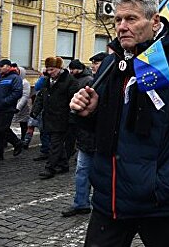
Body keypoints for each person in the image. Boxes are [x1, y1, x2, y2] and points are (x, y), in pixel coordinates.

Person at [69, 0, 169, 246]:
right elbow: (104, 130)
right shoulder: (110, 64)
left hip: (159, 206)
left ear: (155, 22)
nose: (122, 26)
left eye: (131, 19)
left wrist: (160, 186)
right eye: (118, 19)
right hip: (109, 201)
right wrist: (88, 114)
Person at [32, 57, 79, 179]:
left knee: (55, 144)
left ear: (59, 68)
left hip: (62, 118)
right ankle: (63, 164)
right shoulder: (47, 81)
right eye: (47, 69)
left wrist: (72, 118)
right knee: (56, 144)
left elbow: (73, 101)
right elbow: (41, 97)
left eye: (52, 69)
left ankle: (50, 168)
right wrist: (35, 111)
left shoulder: (70, 81)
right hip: (49, 117)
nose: (49, 72)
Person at [61, 58, 96, 217]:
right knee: (81, 172)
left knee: (102, 175)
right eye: (94, 63)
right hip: (85, 138)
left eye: (98, 63)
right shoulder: (79, 80)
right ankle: (81, 203)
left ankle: (101, 206)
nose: (95, 66)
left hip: (100, 139)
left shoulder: (92, 81)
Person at [0, 59, 23, 161]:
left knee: (3, 129)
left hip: (7, 109)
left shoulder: (15, 78)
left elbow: (17, 92)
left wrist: (5, 101)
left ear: (8, 66)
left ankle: (17, 143)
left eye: (2, 66)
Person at [13, 66, 31, 147]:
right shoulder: (14, 81)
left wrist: (18, 106)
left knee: (23, 123)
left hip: (23, 106)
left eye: (17, 71)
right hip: (14, 104)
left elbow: (25, 95)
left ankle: (24, 139)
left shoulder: (25, 82)